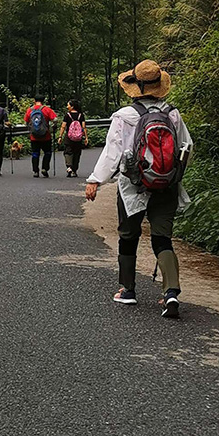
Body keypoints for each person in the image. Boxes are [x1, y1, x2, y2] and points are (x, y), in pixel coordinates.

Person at [85, 59, 193, 318]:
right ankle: (171, 293)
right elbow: (187, 147)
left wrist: (95, 180)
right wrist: (171, 175)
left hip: (132, 186)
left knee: (128, 235)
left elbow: (112, 154)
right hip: (166, 185)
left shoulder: (125, 116)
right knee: (162, 238)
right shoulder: (172, 115)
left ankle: (128, 291)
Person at [24, 94, 58, 178]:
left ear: (34, 100)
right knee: (47, 152)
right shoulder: (47, 109)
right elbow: (55, 119)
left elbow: (26, 122)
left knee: (35, 153)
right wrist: (53, 126)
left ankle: (35, 171)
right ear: (43, 101)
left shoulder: (30, 110)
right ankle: (45, 168)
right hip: (46, 136)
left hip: (34, 137)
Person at [57, 99, 89, 177]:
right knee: (77, 153)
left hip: (69, 137)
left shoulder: (67, 115)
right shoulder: (81, 115)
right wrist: (86, 137)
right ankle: (74, 170)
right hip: (78, 138)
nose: (67, 106)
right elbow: (83, 127)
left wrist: (60, 136)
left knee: (68, 152)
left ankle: (69, 166)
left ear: (72, 106)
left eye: (68, 105)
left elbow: (63, 126)